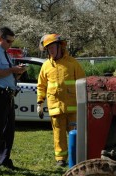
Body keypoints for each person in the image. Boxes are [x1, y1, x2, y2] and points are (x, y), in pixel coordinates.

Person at [37, 34, 85, 167]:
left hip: (73, 108)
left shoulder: (72, 63)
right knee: (58, 135)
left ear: (60, 47)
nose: (51, 51)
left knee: (74, 134)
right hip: (55, 108)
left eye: (52, 47)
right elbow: (41, 85)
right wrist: (39, 103)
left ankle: (76, 157)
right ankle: (60, 159)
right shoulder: (46, 66)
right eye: (48, 48)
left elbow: (82, 83)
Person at [0, 26, 26, 174]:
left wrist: (18, 72)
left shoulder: (6, 54)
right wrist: (12, 70)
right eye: (8, 41)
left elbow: (9, 76)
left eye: (12, 42)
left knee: (8, 131)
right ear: (0, 38)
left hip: (8, 96)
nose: (10, 45)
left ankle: (4, 159)